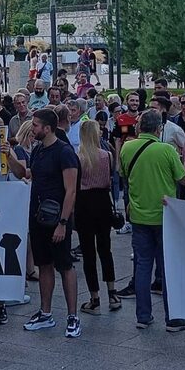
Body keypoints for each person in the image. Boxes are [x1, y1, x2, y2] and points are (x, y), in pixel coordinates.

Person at [7, 108, 82, 338]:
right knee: (44, 265)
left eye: (36, 126)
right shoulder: (39, 149)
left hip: (56, 217)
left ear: (47, 128)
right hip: (38, 216)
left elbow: (71, 191)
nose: (33, 129)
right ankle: (45, 312)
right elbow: (25, 174)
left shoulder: (64, 152)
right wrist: (8, 155)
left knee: (65, 265)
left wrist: (62, 222)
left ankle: (72, 316)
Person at [119, 109, 185, 334]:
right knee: (167, 267)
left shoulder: (127, 147)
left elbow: (123, 175)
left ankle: (143, 315)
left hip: (139, 215)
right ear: (159, 128)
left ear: (139, 127)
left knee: (142, 266)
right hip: (164, 216)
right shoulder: (166, 150)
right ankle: (173, 318)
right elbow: (184, 178)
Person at [73, 117, 119, 315]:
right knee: (105, 249)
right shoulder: (107, 155)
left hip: (84, 202)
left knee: (88, 252)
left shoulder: (78, 157)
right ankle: (113, 293)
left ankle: (94, 298)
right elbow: (112, 178)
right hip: (103, 202)